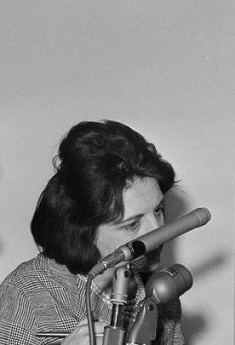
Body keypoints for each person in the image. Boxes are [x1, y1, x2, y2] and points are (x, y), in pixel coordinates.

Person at [0, 120, 185, 344]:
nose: (158, 232)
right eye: (132, 224)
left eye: (158, 210)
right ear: (84, 231)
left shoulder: (160, 292)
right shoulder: (26, 293)